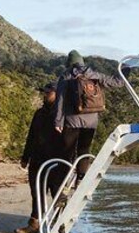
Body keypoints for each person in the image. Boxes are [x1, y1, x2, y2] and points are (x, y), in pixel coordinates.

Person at [53, 50, 125, 183]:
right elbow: (117, 83)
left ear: (69, 63)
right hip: (91, 121)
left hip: (72, 120)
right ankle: (81, 178)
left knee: (67, 151)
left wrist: (58, 121)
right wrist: (126, 70)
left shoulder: (67, 76)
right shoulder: (94, 75)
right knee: (84, 149)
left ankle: (64, 180)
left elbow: (60, 100)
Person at [15, 83, 63, 233]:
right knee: (37, 192)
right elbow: (31, 136)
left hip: (57, 161)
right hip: (37, 158)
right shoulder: (39, 113)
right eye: (45, 92)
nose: (45, 95)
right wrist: (25, 157)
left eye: (49, 92)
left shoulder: (64, 114)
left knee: (58, 193)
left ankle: (59, 228)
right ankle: (35, 224)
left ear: (57, 94)